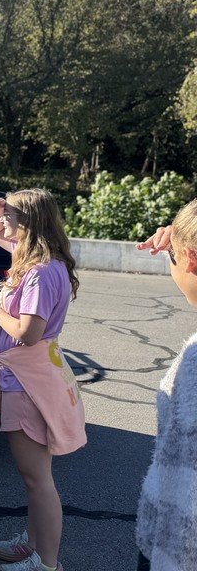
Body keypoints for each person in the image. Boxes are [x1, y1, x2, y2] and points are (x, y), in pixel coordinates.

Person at [0, 189, 85, 571]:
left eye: (9, 213)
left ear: (28, 221)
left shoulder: (38, 272)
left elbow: (28, 332)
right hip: (34, 375)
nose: (3, 219)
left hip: (27, 381)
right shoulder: (42, 261)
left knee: (37, 479)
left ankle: (47, 562)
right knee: (36, 477)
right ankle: (33, 545)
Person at [135, 205, 197, 570]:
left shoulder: (195, 361)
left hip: (174, 550)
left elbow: (185, 486)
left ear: (191, 259)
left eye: (171, 257)